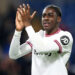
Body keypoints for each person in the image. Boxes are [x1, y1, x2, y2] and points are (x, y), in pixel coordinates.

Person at [9, 4, 73, 75]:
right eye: (44, 15)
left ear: (58, 19)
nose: (46, 18)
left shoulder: (65, 36)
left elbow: (41, 48)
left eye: (50, 15)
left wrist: (27, 24)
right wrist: (18, 30)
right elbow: (14, 54)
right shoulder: (38, 36)